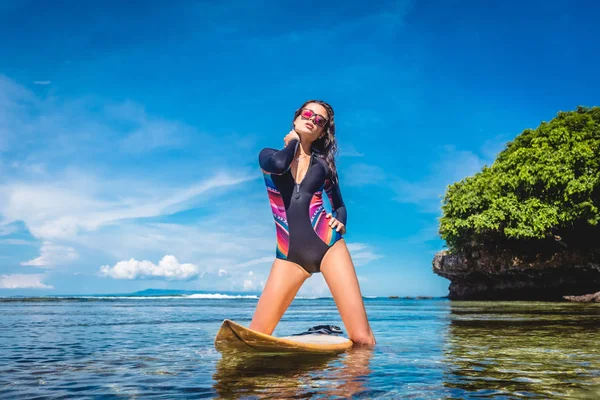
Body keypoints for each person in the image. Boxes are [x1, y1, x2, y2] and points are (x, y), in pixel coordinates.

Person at [249, 99, 376, 346]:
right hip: (289, 254)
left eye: (319, 120)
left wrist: (340, 223)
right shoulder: (269, 155)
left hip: (328, 245)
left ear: (322, 131)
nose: (312, 120)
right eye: (307, 114)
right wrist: (295, 142)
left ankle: (358, 383)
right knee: (255, 338)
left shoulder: (324, 166)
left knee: (362, 338)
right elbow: (280, 165)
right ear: (296, 118)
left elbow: (339, 205)